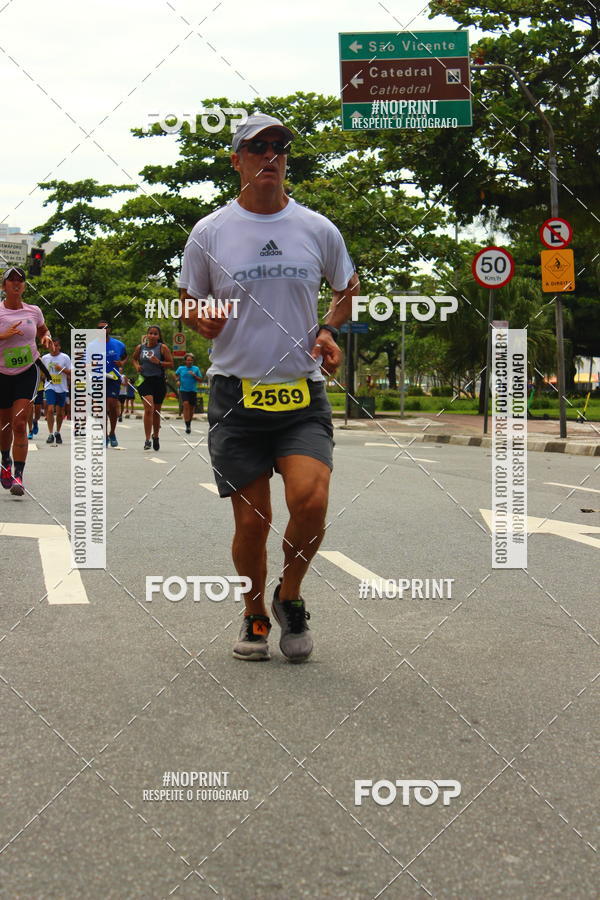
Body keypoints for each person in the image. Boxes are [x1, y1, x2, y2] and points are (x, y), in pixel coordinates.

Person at [180, 113, 359, 662]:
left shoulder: (317, 229)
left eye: (279, 149)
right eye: (256, 149)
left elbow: (347, 286)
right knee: (252, 521)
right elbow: (188, 300)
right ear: (237, 161)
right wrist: (198, 318)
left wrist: (329, 330)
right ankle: (255, 611)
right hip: (236, 394)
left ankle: (291, 595)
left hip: (300, 394)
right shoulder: (209, 232)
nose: (269, 157)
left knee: (311, 499)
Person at [0, 266, 53, 495]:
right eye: (11, 280)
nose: (16, 283)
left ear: (24, 285)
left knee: (20, 423)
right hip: (1, 373)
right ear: (4, 286)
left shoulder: (34, 311)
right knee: (4, 425)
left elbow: (43, 330)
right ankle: (5, 462)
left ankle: (18, 476)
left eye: (20, 280)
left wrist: (46, 337)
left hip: (27, 370)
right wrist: (4, 335)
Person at [132, 325, 173, 450]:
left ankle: (156, 436)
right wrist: (137, 366)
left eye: (155, 334)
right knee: (149, 408)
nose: (153, 336)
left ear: (159, 336)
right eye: (151, 333)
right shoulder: (140, 347)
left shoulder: (162, 348)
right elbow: (134, 359)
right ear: (147, 335)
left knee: (156, 412)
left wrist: (159, 362)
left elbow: (171, 364)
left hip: (158, 381)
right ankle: (147, 439)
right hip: (144, 381)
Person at [97, 320, 127, 447]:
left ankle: (112, 432)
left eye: (105, 327)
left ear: (109, 329)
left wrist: (122, 363)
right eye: (100, 328)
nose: (103, 330)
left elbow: (125, 357)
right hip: (99, 378)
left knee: (112, 405)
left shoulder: (118, 344)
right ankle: (104, 436)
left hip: (113, 378)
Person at [41, 338, 71, 445]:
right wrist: (43, 376)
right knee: (49, 410)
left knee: (60, 412)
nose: (54, 348)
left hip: (62, 388)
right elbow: (42, 373)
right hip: (50, 387)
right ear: (48, 346)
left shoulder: (65, 358)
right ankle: (50, 434)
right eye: (52, 346)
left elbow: (71, 373)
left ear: (59, 347)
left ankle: (57, 432)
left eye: (56, 345)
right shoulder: (45, 358)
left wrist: (61, 369)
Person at [175, 353, 203, 433]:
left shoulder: (196, 369)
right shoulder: (181, 368)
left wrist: (194, 375)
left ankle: (189, 423)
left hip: (193, 390)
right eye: (188, 360)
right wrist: (178, 381)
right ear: (185, 361)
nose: (189, 361)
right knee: (186, 404)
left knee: (191, 408)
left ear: (193, 361)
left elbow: (200, 380)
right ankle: (187, 425)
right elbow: (176, 375)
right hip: (183, 390)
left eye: (191, 360)